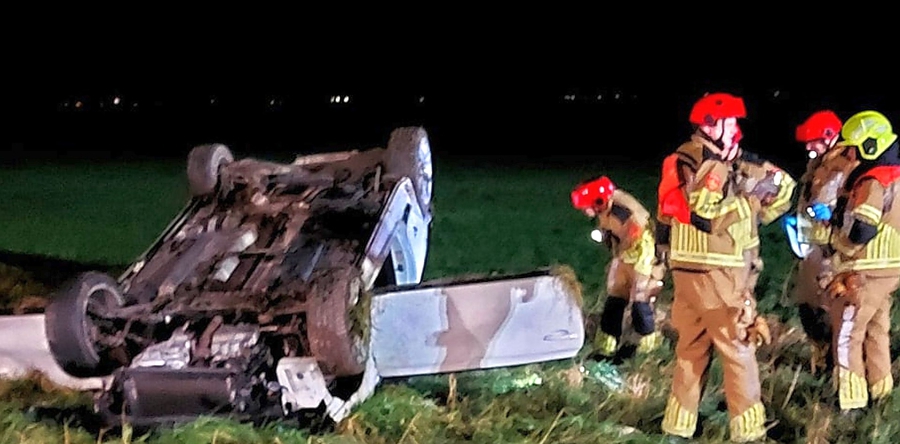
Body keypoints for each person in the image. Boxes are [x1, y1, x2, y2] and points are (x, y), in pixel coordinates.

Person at [659, 92, 771, 442]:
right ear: (711, 125)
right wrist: (747, 204)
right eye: (730, 122)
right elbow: (706, 214)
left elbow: (666, 215)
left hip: (685, 269)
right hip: (718, 269)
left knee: (690, 350)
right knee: (737, 349)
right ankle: (749, 431)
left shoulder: (677, 159)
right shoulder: (713, 165)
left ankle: (677, 427)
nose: (735, 129)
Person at [819, 110, 900, 413]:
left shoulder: (872, 181)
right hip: (890, 269)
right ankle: (882, 393)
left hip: (863, 271)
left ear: (869, 146)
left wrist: (840, 245)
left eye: (853, 148)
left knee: (847, 335)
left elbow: (863, 228)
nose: (850, 154)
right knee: (877, 331)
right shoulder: (896, 177)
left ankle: (850, 403)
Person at [781, 110, 854, 372]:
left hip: (831, 252)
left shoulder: (847, 165)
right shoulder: (818, 164)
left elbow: (853, 208)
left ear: (829, 137)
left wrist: (832, 216)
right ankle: (821, 360)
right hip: (809, 247)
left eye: (813, 140)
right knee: (808, 308)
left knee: (830, 312)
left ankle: (838, 368)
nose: (808, 146)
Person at [570, 176, 665, 358]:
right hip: (627, 252)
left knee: (639, 298)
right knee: (615, 296)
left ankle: (647, 345)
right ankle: (607, 343)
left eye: (587, 206)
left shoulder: (622, 211)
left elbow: (634, 236)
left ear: (598, 201)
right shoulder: (609, 208)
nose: (586, 211)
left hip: (641, 253)